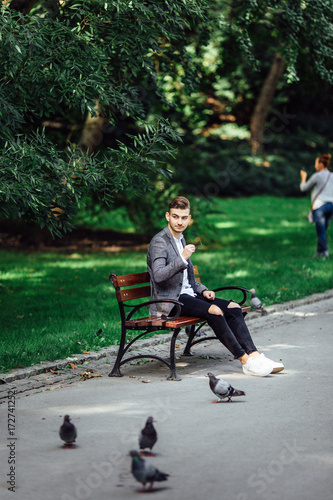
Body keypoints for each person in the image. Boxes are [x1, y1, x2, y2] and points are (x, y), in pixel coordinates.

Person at [146, 196, 284, 377]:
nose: (179, 222)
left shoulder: (180, 239)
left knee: (234, 308)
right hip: (170, 301)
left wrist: (204, 290)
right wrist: (182, 258)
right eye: (175, 217)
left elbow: (188, 280)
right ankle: (244, 360)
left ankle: (255, 355)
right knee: (215, 311)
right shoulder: (160, 241)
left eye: (184, 217)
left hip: (189, 296)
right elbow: (157, 276)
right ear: (167, 216)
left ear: (189, 218)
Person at [300, 154, 333, 258]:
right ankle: (319, 253)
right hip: (331, 206)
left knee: (321, 232)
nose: (315, 166)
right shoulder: (332, 176)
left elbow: (303, 188)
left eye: (316, 163)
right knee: (323, 231)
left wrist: (303, 178)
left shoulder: (317, 176)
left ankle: (324, 253)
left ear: (320, 164)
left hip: (320, 206)